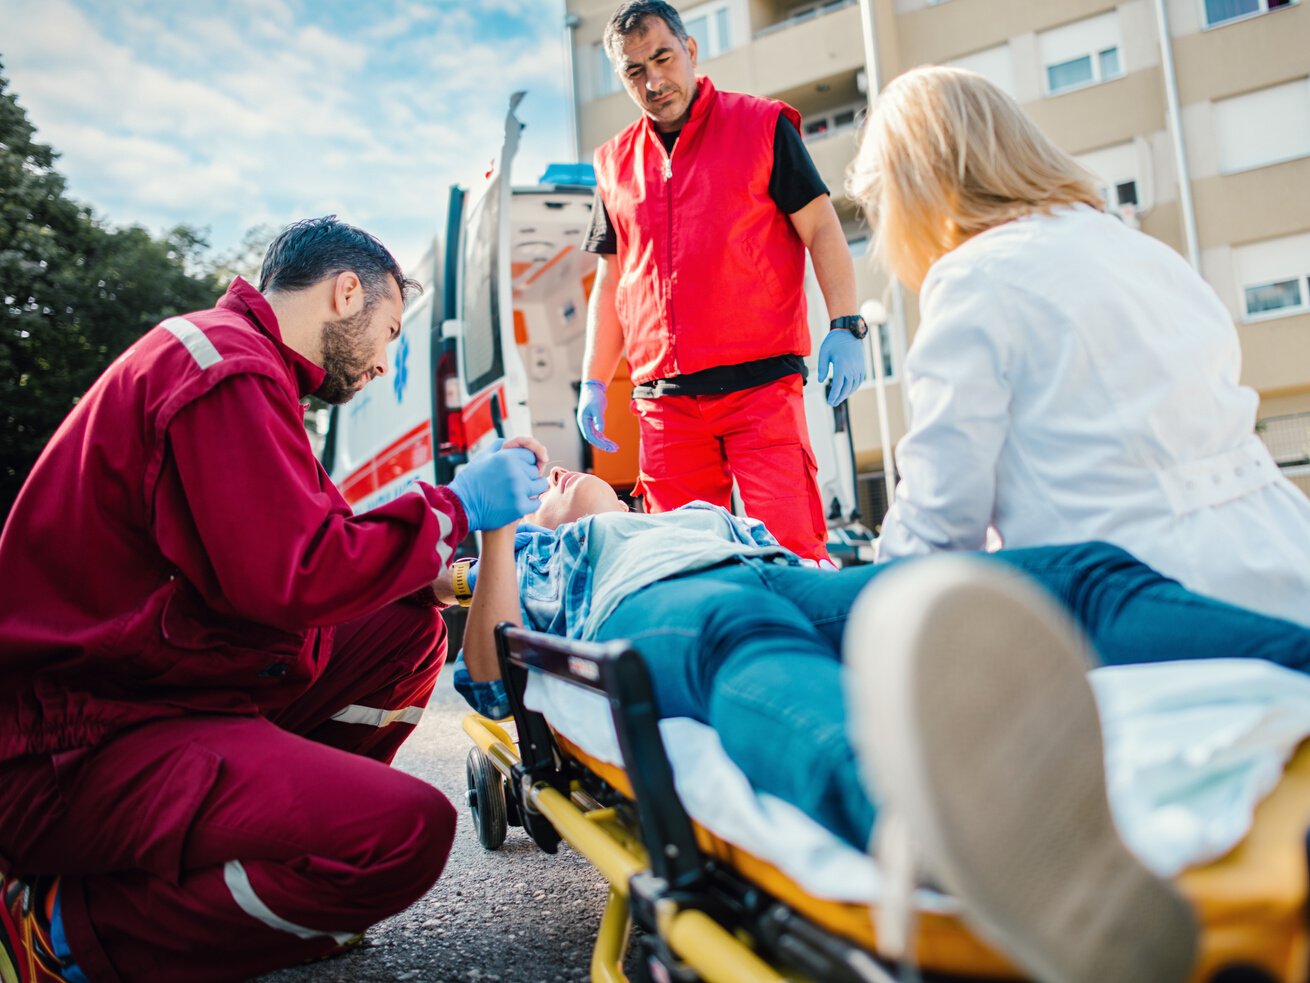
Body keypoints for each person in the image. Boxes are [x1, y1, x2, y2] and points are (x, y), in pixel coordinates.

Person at [451, 470, 1310, 980]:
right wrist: (498, 531)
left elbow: (804, 563)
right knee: (748, 645)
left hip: (774, 570)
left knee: (1080, 574)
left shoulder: (693, 512)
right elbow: (491, 682)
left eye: (562, 469)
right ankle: (951, 832)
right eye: (544, 486)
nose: (554, 475)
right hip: (652, 604)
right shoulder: (536, 554)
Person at [0, 217, 550, 983]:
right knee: (408, 834)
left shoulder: (242, 369)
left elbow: (313, 547)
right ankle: (65, 929)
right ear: (346, 292)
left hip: (144, 697)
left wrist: (447, 571)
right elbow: (299, 573)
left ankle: (283, 845)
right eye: (390, 332)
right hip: (75, 750)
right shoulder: (223, 368)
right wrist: (456, 505)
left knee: (405, 626)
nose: (385, 362)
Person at [844, 66, 1310, 626]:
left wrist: (869, 619)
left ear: (914, 190)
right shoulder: (1139, 250)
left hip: (1148, 599)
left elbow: (940, 521)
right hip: (1283, 555)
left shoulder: (976, 277)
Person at [575, 0, 868, 564]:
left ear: (690, 49)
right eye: (635, 70)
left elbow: (822, 227)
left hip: (760, 389)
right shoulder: (612, 164)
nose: (653, 81)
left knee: (794, 553)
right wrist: (593, 380)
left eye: (663, 58)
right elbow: (611, 281)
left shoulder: (762, 125)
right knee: (685, 565)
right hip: (665, 404)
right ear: (621, 77)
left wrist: (847, 323)